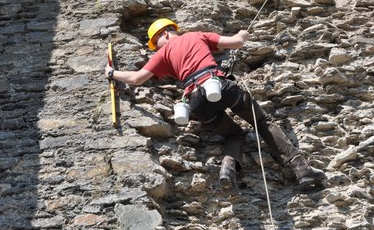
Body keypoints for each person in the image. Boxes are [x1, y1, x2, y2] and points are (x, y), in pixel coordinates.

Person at [105, 18, 326, 190]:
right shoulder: (196, 35)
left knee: (234, 135)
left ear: (165, 34)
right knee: (261, 121)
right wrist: (241, 34)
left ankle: (228, 170)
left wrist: (113, 74)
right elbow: (236, 42)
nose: (156, 48)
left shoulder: (162, 56)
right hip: (219, 86)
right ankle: (302, 169)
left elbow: (136, 79)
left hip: (197, 103)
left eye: (156, 43)